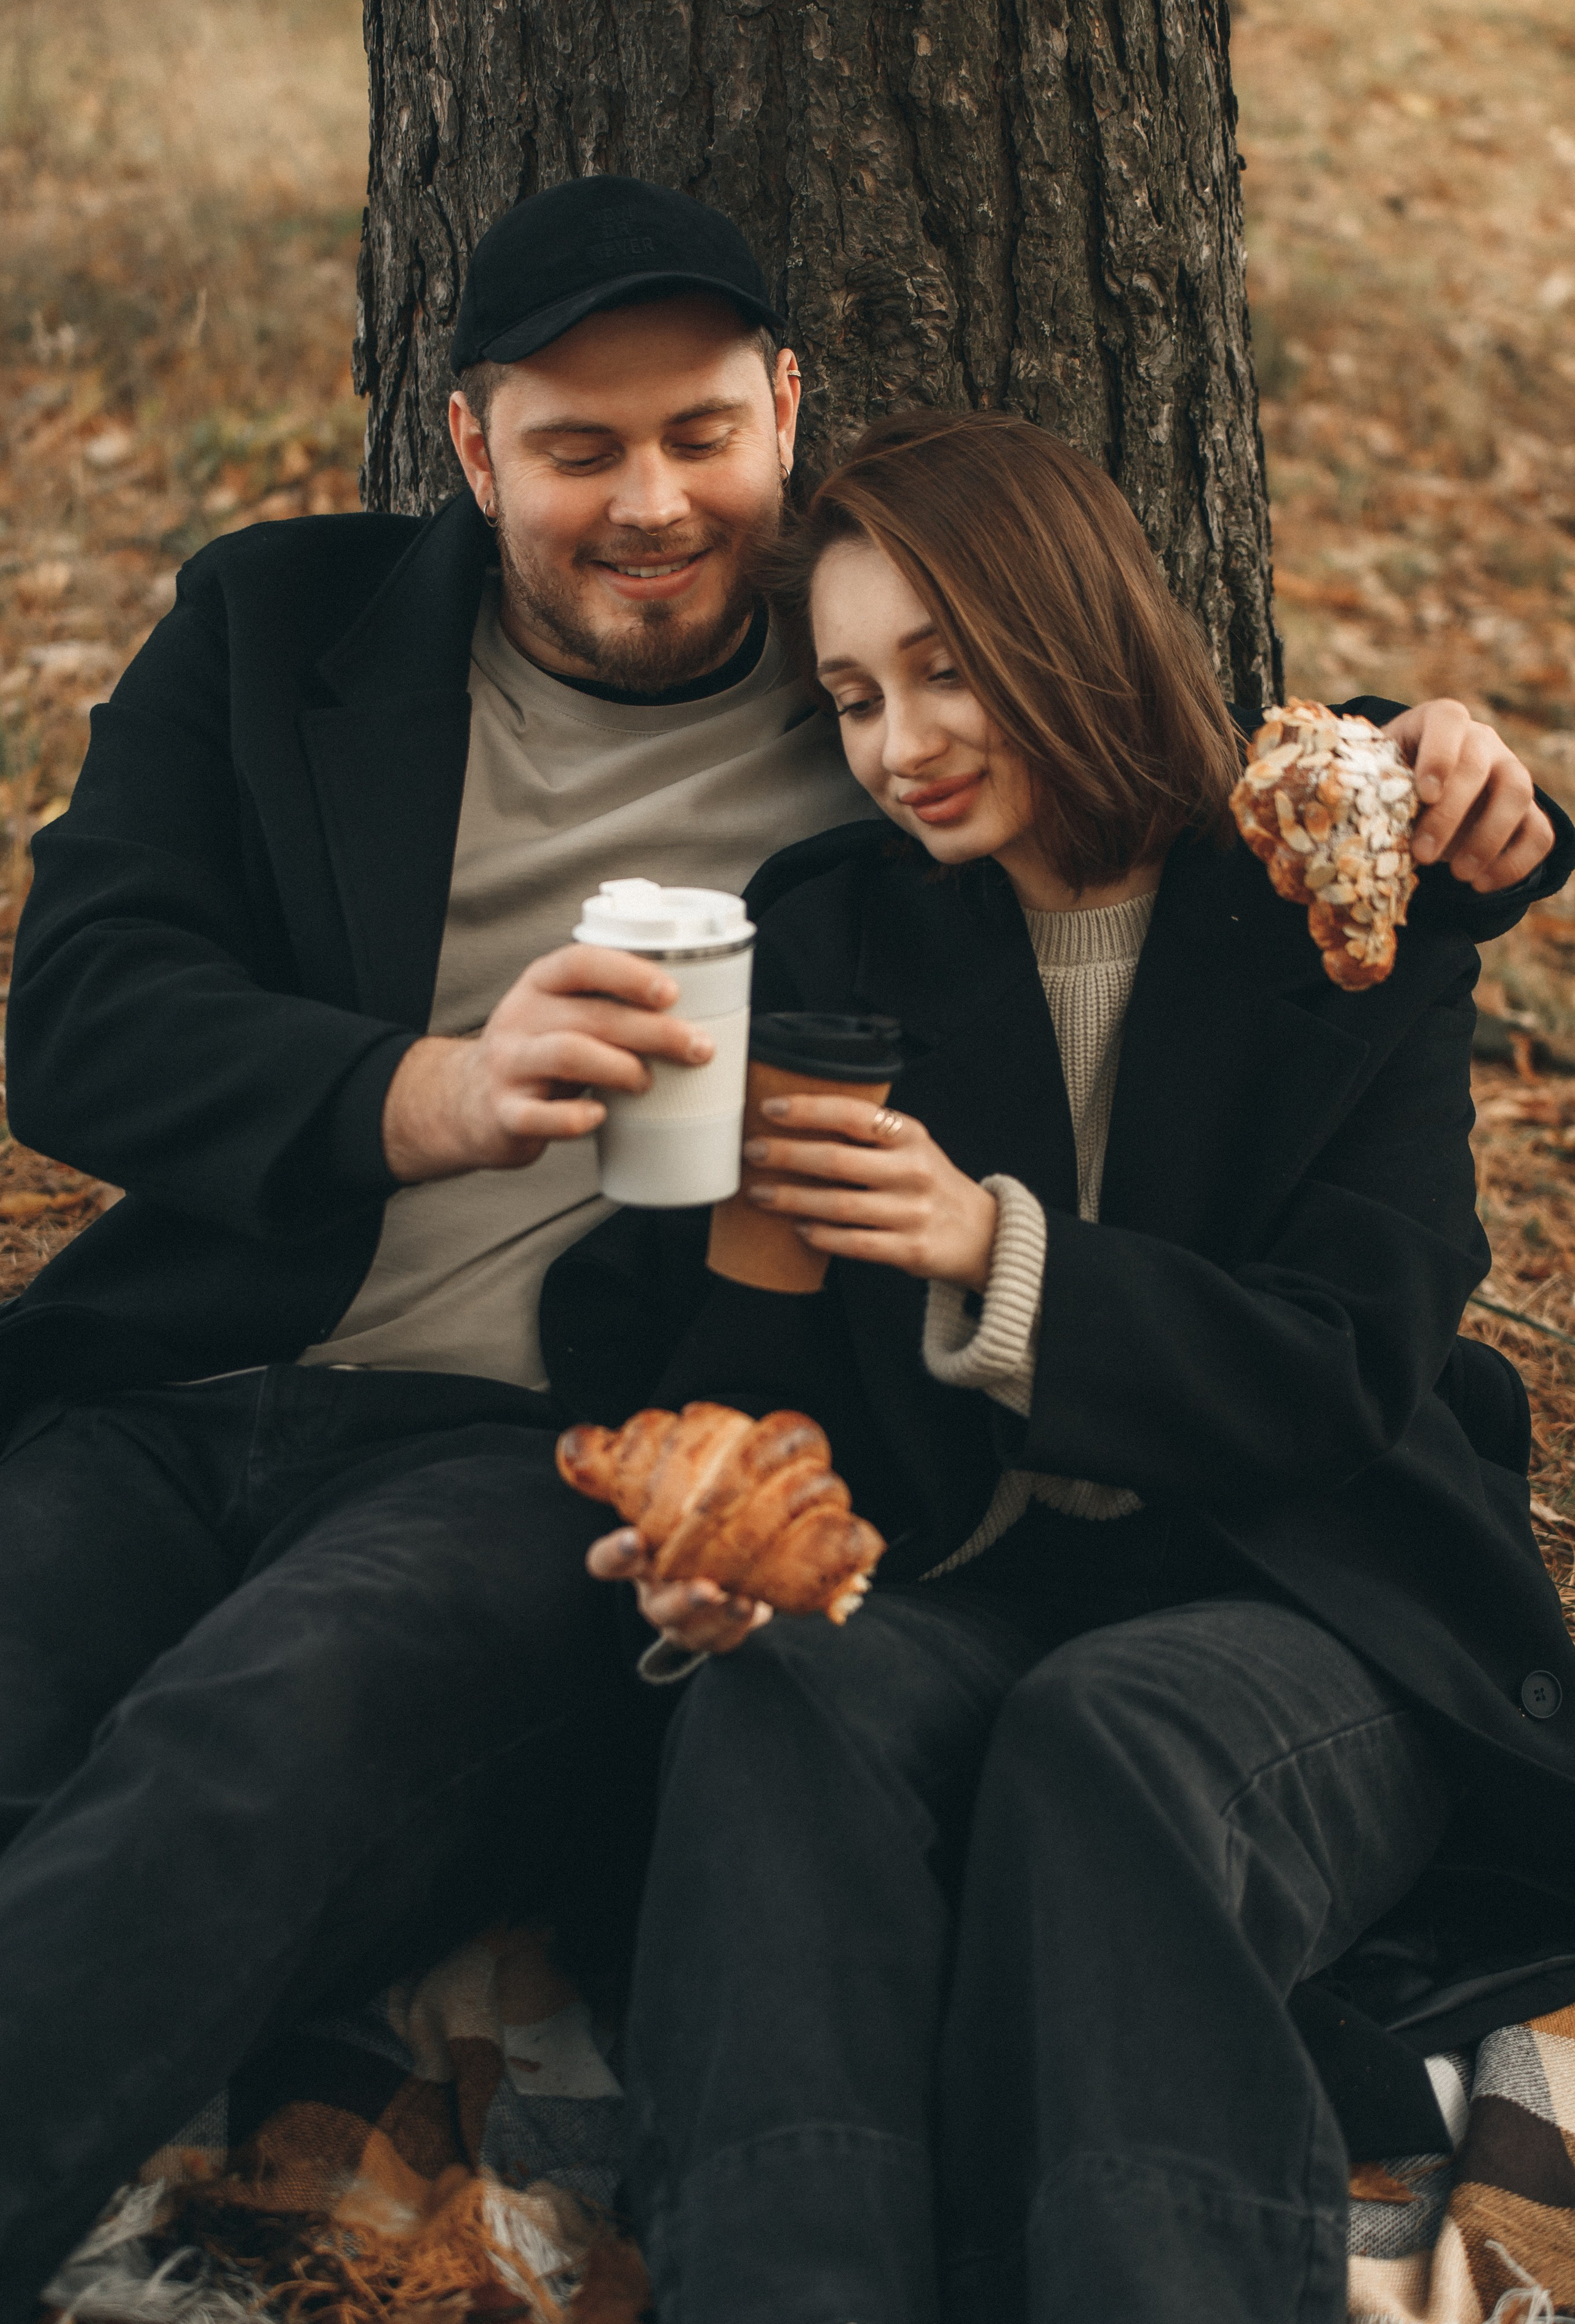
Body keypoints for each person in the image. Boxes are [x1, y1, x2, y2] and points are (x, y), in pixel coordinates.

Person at [0, 174, 1560, 2310]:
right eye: (579, 447)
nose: (653, 504)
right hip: (230, 1393)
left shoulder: (1084, 871)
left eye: (701, 435)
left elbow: (1201, 809)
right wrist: (471, 1121)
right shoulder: (331, 654)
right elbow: (86, 1016)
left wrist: (1443, 782)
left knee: (255, 1746)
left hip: (625, 1468)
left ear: (785, 416)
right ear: (470, 447)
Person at [574, 409, 1575, 2324]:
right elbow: (719, 1354)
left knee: (1112, 1730)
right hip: (974, 1584)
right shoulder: (834, 929)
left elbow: (1344, 1370)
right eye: (854, 698)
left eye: (948, 669)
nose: (903, 743)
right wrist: (713, 1535)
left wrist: (992, 1245)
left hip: (1316, 1604)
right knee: (778, 1701)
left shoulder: (1328, 913)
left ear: (1072, 625)